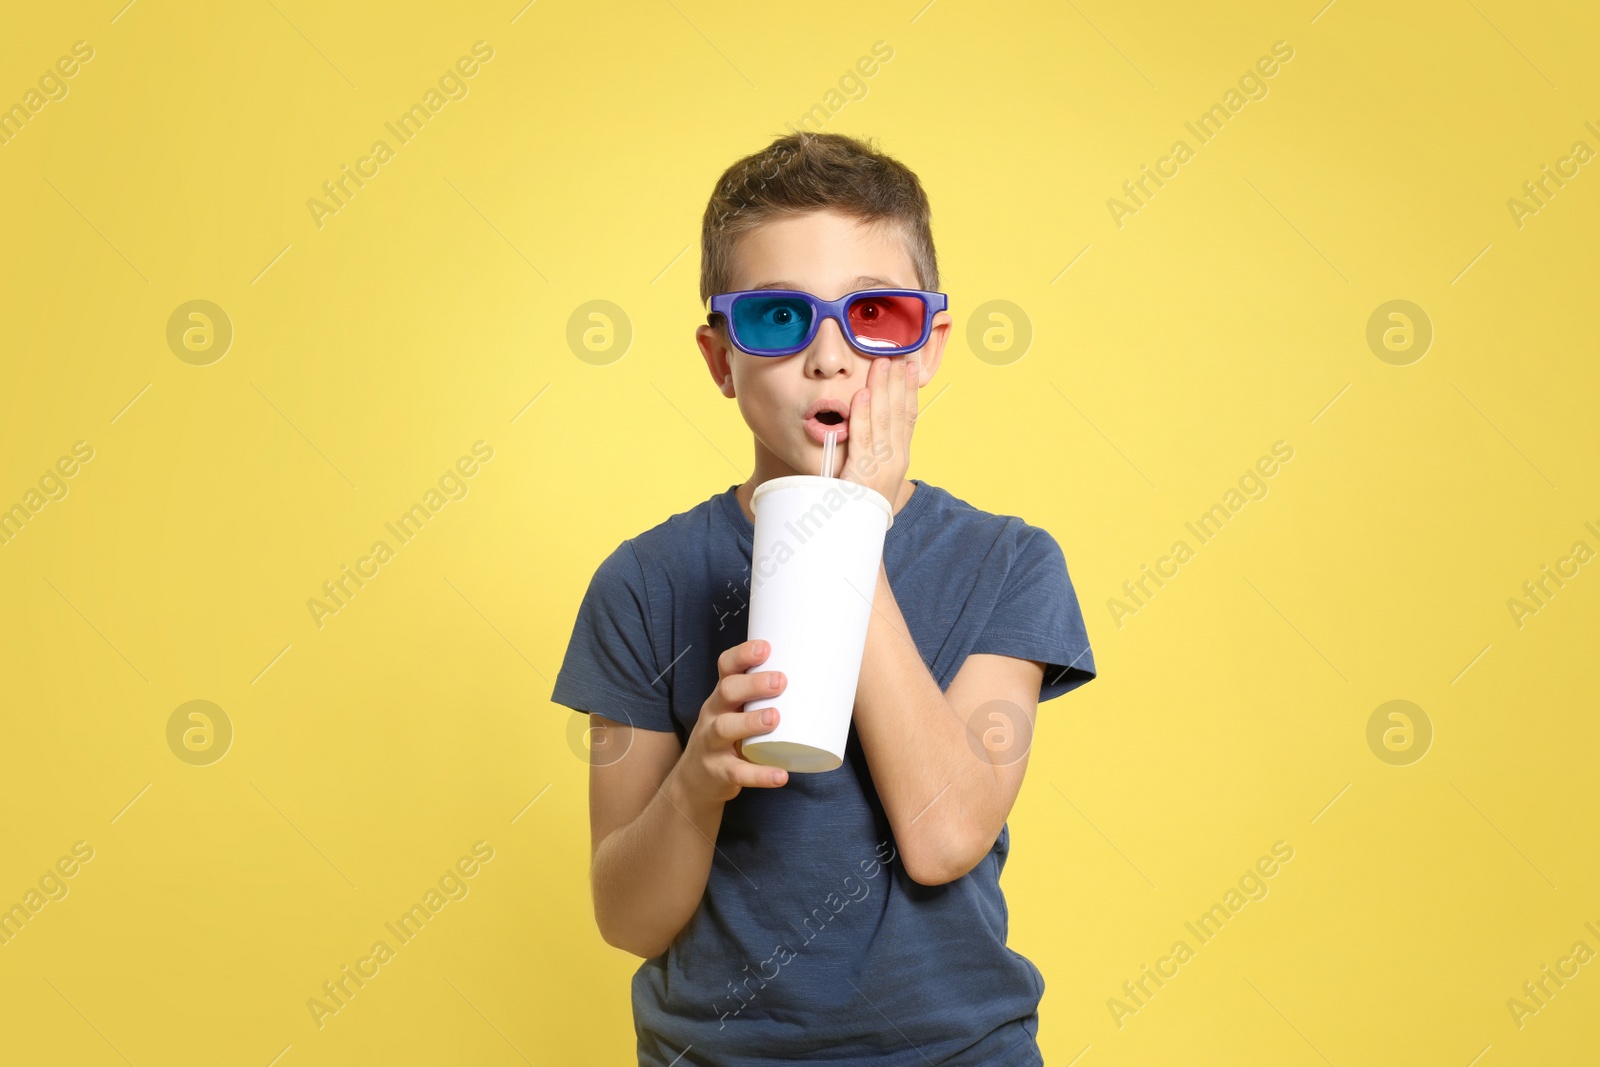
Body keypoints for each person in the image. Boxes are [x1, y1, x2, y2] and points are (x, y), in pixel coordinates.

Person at [550, 130, 1097, 1067]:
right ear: (720, 359)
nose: (831, 357)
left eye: (876, 315)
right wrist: (697, 784)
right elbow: (626, 918)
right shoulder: (640, 585)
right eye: (777, 319)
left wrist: (850, 535)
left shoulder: (1011, 563)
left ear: (926, 349)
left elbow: (945, 837)